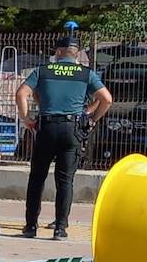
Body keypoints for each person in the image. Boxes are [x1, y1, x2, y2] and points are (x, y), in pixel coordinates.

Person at [15, 35, 113, 240]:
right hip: (72, 130)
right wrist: (92, 118)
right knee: (65, 180)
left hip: (47, 128)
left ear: (59, 52)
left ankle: (31, 226)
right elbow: (106, 99)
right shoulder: (86, 74)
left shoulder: (43, 71)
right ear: (76, 53)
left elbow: (21, 93)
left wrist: (26, 119)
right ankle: (60, 228)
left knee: (37, 178)